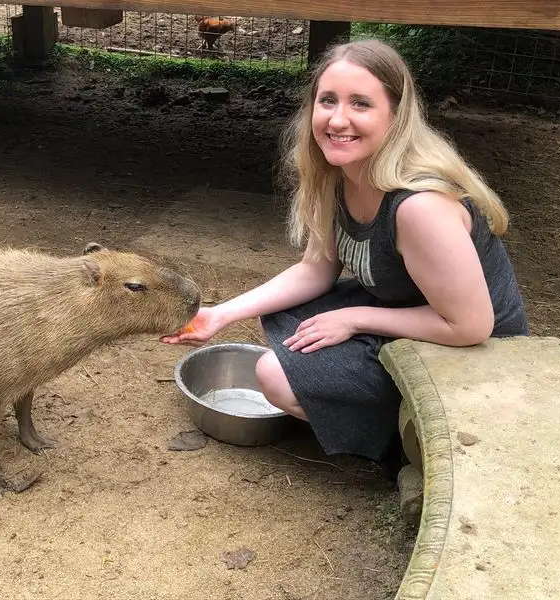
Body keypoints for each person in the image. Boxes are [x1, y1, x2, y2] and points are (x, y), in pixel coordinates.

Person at [162, 38, 528, 465]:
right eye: (328, 101)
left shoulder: (419, 207)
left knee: (273, 374)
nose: (338, 120)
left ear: (395, 115)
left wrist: (354, 318)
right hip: (407, 309)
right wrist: (220, 314)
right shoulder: (338, 175)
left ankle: (407, 448)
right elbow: (315, 270)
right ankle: (363, 412)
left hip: (469, 352)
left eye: (361, 104)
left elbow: (471, 327)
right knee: (286, 320)